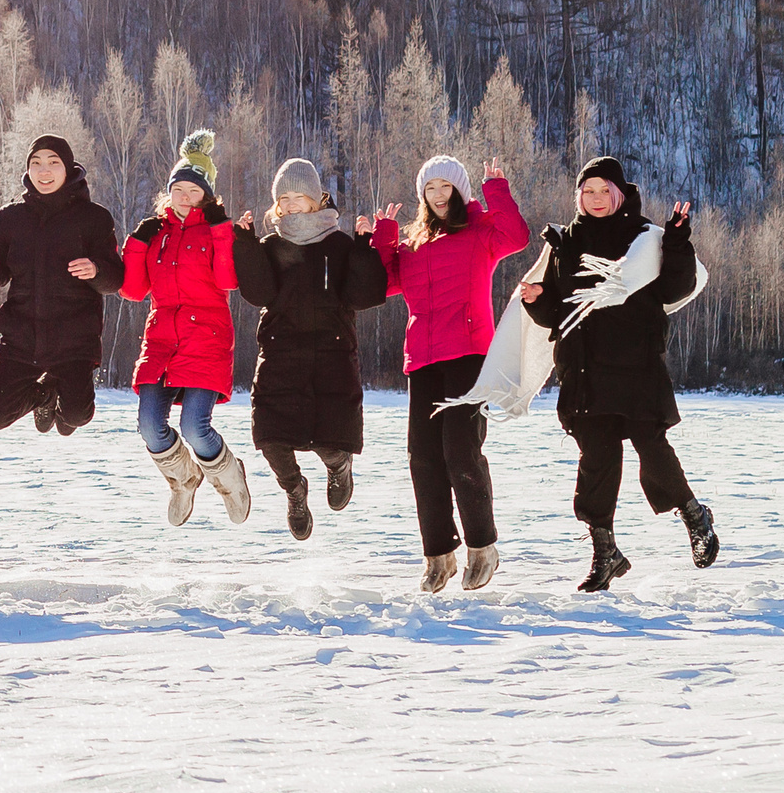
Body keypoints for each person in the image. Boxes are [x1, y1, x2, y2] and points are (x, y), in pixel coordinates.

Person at [522, 157, 718, 592]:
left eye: (603, 190)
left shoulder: (644, 238)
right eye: (587, 191)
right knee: (596, 460)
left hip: (636, 366)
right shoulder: (565, 243)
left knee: (652, 447)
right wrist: (537, 300)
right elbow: (558, 314)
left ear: (618, 193)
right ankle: (605, 553)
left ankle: (695, 515)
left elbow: (674, 288)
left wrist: (680, 242)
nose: (595, 199)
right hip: (585, 368)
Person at [369, 154, 527, 591]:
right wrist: (383, 238)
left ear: (460, 191)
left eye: (446, 187)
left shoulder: (480, 231)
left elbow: (517, 235)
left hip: (469, 354)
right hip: (422, 359)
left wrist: (496, 190)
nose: (438, 196)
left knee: (461, 451)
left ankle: (482, 547)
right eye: (430, 190)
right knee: (423, 458)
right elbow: (381, 284)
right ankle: (438, 555)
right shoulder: (414, 244)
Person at [231, 158, 388, 540]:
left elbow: (363, 295)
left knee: (330, 439)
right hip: (280, 355)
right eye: (282, 199)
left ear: (316, 199)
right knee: (270, 437)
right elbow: (258, 293)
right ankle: (295, 491)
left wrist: (366, 248)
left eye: (297, 197)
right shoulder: (271, 245)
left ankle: (339, 467)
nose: (289, 206)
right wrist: (247, 246)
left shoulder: (340, 245)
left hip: (331, 355)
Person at [122, 131, 250, 527]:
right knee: (148, 425)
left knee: (195, 427)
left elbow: (228, 281)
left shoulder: (214, 230)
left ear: (206, 196)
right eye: (179, 188)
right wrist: (137, 244)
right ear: (169, 191)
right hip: (161, 339)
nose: (184, 196)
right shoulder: (155, 231)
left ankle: (231, 480)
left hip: (206, 338)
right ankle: (183, 479)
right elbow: (133, 290)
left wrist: (221, 231)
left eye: (194, 190)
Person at [0, 135, 122, 436]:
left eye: (53, 163)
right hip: (21, 338)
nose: (44, 171)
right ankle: (44, 394)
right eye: (36, 163)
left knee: (76, 417)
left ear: (68, 169)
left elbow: (115, 278)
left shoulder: (94, 218)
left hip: (74, 340)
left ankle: (61, 401)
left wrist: (95, 269)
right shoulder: (9, 217)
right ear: (27, 170)